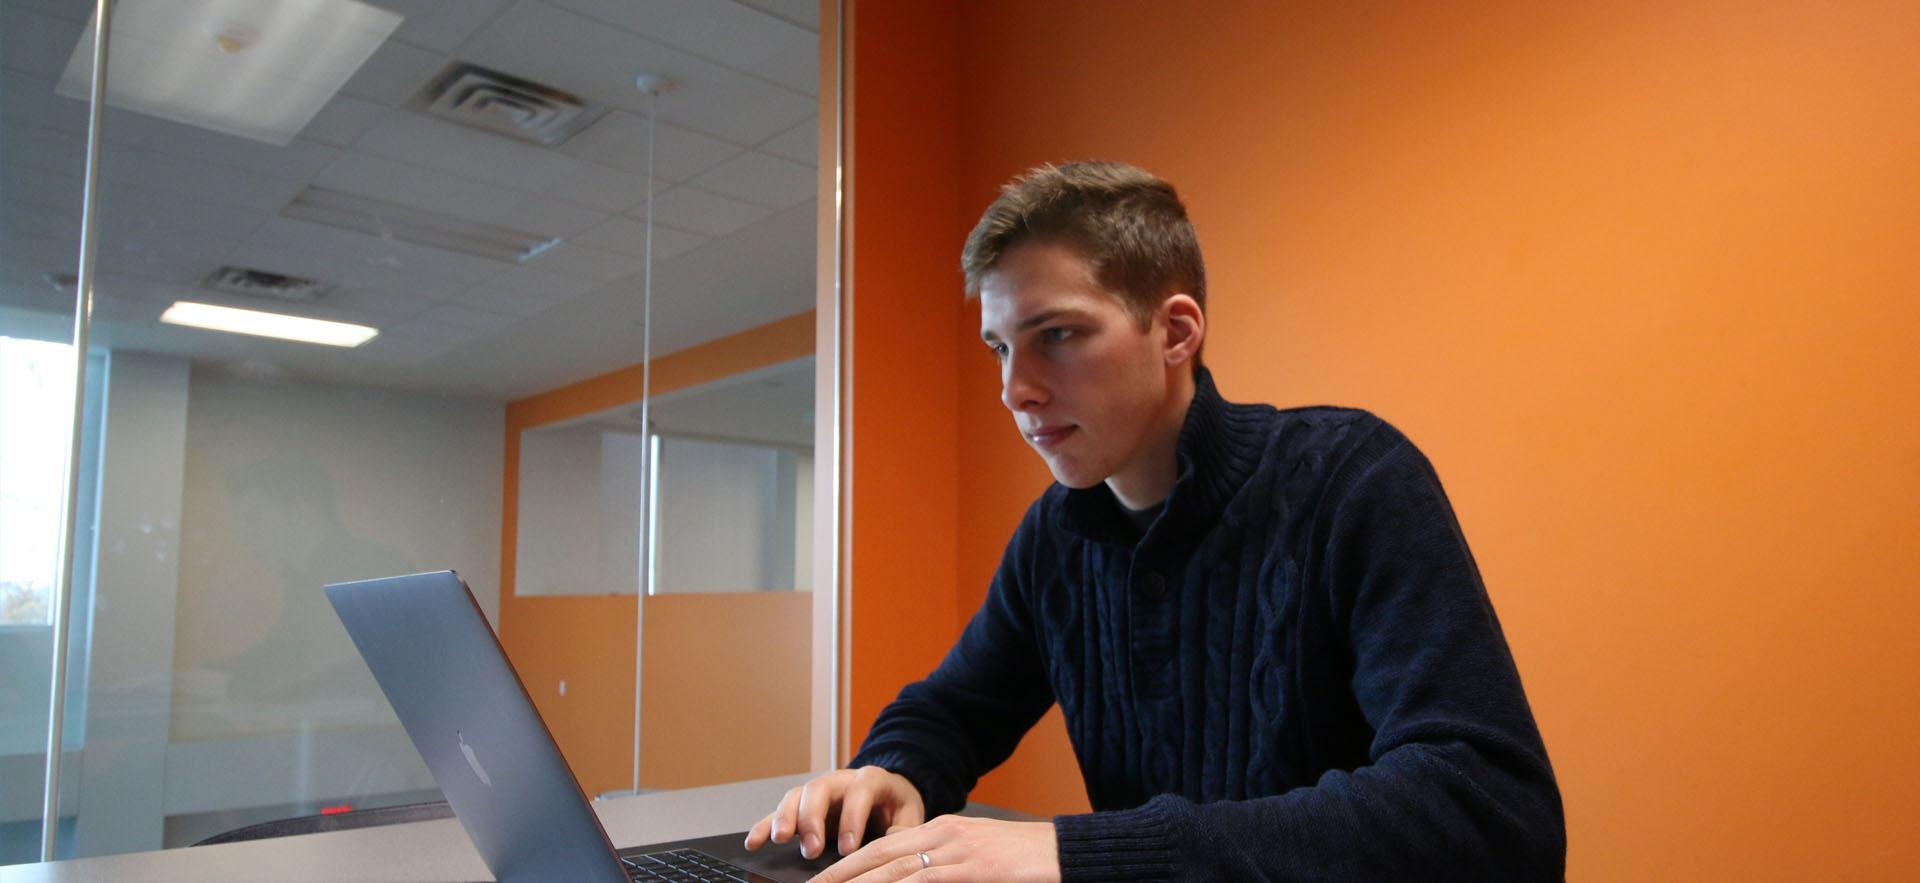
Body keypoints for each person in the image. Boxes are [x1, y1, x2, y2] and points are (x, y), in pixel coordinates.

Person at [743, 162, 1565, 881]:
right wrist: (894, 769)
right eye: (999, 347)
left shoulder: (1353, 479)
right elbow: (954, 707)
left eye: (1055, 335)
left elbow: (1490, 811)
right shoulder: (1057, 536)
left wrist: (1078, 853)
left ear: (1174, 331)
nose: (1014, 389)